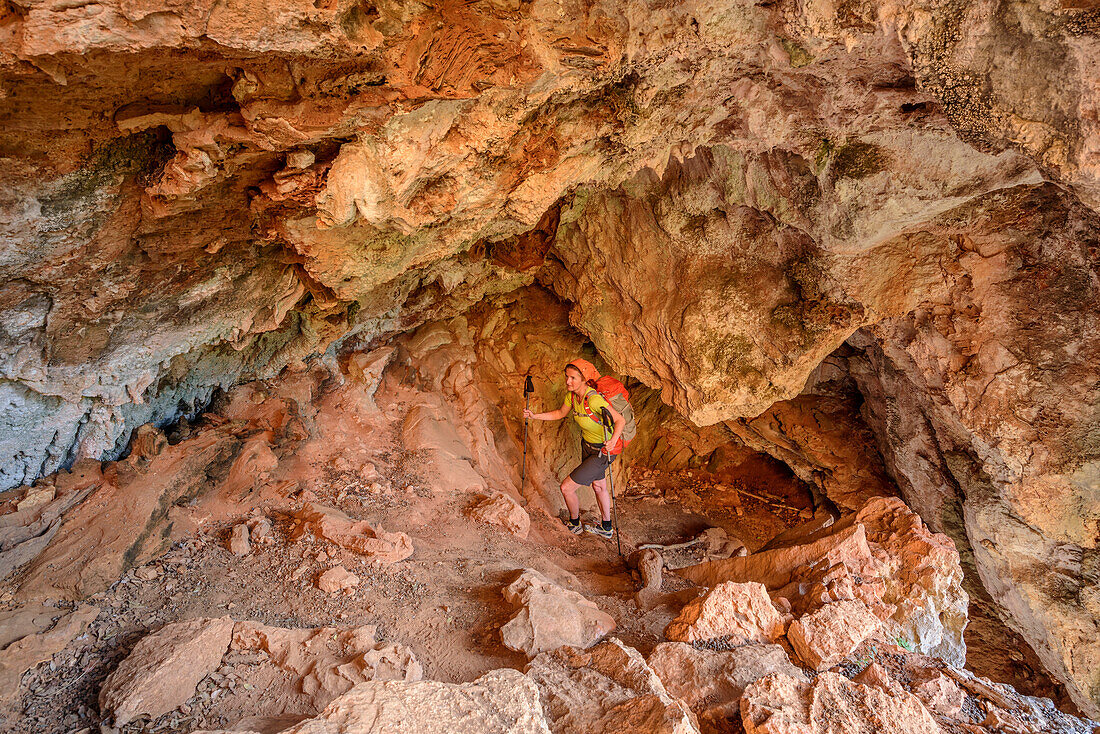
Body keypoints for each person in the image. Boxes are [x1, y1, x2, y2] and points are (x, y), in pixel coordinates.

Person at [523, 359, 625, 539]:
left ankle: (575, 524)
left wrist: (613, 440)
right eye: (567, 377)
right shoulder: (571, 397)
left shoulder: (593, 399)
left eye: (573, 378)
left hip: (603, 451)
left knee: (566, 488)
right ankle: (606, 527)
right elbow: (560, 413)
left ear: (584, 379)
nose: (568, 381)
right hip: (587, 447)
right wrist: (534, 415)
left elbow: (620, 420)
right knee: (599, 486)